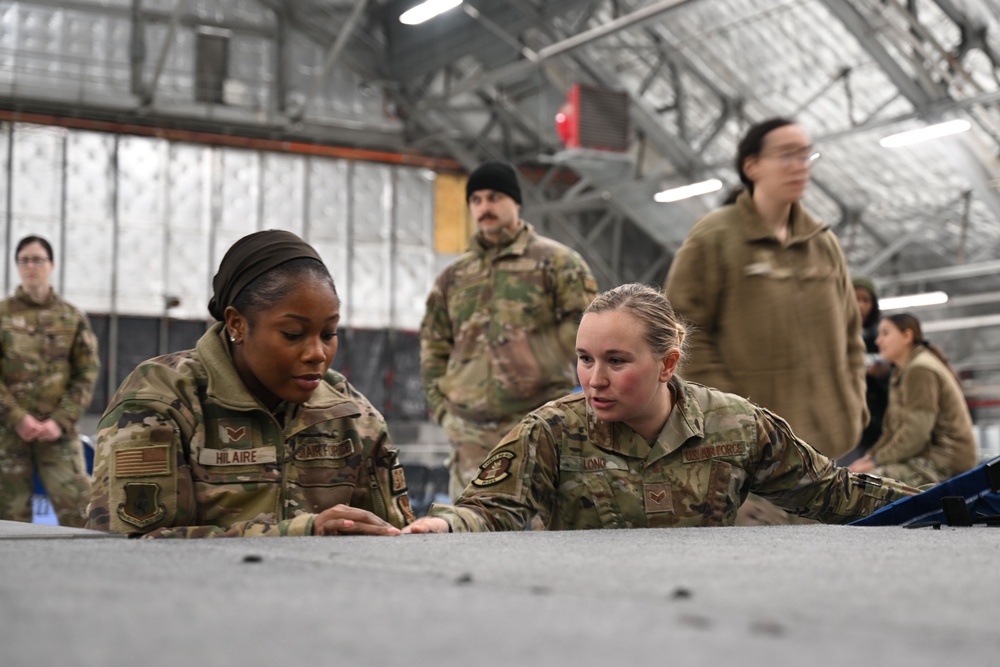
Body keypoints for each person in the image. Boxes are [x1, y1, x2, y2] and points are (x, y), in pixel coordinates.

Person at [404, 284, 916, 533]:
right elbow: (491, 509)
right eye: (584, 359)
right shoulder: (551, 432)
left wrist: (943, 504)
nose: (594, 379)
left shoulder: (736, 426)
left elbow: (831, 491)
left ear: (667, 363)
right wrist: (445, 526)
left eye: (616, 361)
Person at [87, 230, 414, 538]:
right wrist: (300, 534)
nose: (317, 353)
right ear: (237, 325)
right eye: (293, 334)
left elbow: (392, 533)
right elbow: (129, 544)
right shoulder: (161, 399)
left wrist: (435, 526)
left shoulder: (347, 412)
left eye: (328, 334)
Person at [664, 118, 866, 462]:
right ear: (752, 166)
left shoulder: (823, 243)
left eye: (805, 155)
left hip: (831, 446)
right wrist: (729, 418)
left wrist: (853, 405)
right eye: (786, 155)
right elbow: (681, 333)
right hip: (751, 452)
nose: (800, 166)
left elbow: (851, 335)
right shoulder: (716, 237)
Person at [420, 161, 598, 500]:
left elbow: (587, 329)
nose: (484, 207)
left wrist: (536, 357)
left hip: (539, 422)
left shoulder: (558, 263)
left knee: (548, 520)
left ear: (515, 201)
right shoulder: (454, 277)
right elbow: (434, 345)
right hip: (470, 432)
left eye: (494, 197)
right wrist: (443, 411)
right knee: (471, 522)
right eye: (476, 200)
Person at [0, 235, 100, 527]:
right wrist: (18, 418)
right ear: (17, 266)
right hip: (8, 432)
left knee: (82, 513)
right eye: (24, 260)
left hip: (57, 432)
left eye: (37, 259)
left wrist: (60, 420)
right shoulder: (3, 315)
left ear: (51, 264)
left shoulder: (71, 317)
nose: (31, 266)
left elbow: (86, 372)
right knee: (9, 520)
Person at [848, 313, 977, 487]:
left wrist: (876, 462)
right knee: (854, 476)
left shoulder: (920, 369)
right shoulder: (902, 371)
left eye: (885, 333)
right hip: (926, 457)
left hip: (945, 462)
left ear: (907, 336)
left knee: (863, 485)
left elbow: (916, 432)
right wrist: (869, 458)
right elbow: (892, 431)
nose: (878, 341)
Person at [848, 276, 890, 461]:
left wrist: (883, 376)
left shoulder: (884, 335)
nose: (861, 305)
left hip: (881, 422)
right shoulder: (837, 336)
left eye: (866, 300)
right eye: (856, 299)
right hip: (849, 421)